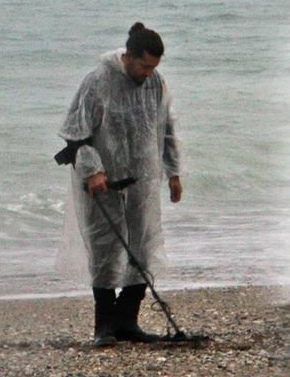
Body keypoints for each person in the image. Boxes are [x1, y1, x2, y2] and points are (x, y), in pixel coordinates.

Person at [57, 22, 183, 347]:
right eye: (144, 65)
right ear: (128, 57)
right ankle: (104, 326)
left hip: (143, 179)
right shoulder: (98, 81)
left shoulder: (156, 84)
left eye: (154, 67)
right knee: (104, 251)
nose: (148, 73)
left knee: (143, 246)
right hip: (102, 183)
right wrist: (92, 169)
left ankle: (127, 321)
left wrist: (174, 172)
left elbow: (167, 127)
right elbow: (75, 133)